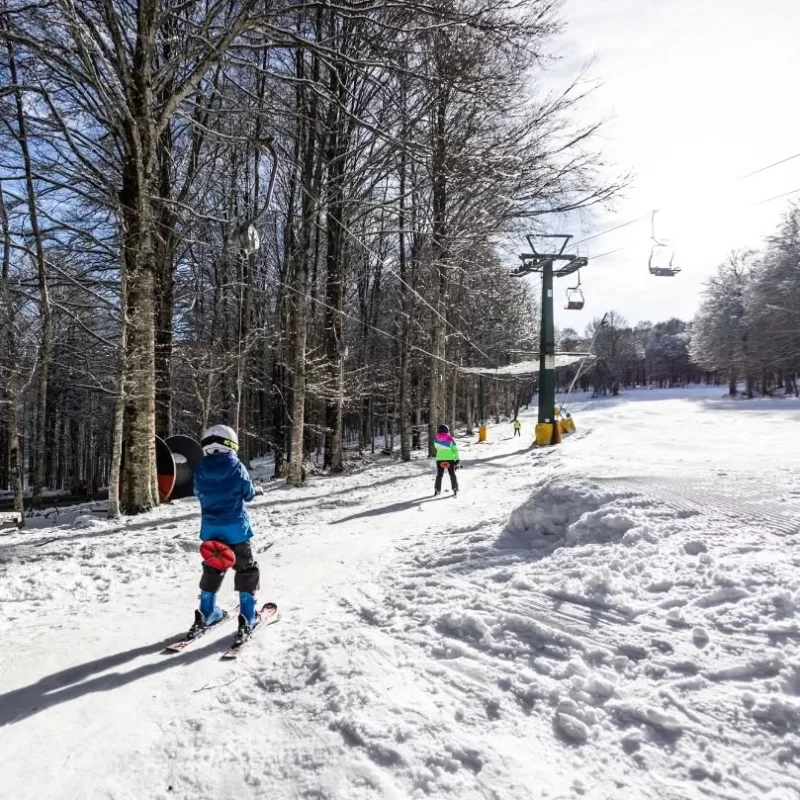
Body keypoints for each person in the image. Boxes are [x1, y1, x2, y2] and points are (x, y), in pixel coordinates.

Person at [188, 424, 261, 640]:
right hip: (236, 530)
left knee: (212, 568)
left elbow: (197, 491)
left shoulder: (200, 468)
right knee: (246, 569)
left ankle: (207, 612)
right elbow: (248, 493)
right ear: (231, 443)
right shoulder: (236, 466)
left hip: (211, 530)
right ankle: (248, 616)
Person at [433, 424, 459, 497]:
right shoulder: (450, 439)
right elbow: (455, 450)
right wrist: (457, 459)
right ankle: (455, 488)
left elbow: (436, 448)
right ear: (447, 430)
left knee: (439, 475)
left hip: (440, 459)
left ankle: (437, 489)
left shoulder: (436, 439)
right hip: (450, 459)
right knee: (452, 474)